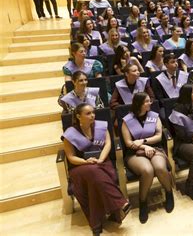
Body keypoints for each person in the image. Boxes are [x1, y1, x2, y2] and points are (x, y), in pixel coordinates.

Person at [62, 104, 129, 235]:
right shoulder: (70, 133)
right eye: (88, 113)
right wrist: (86, 161)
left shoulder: (101, 126)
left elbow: (108, 144)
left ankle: (95, 223)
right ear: (78, 116)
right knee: (93, 171)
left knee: (94, 180)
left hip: (102, 162)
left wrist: (101, 159)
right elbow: (70, 157)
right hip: (80, 167)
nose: (92, 115)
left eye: (93, 112)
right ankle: (119, 203)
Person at [121, 93, 174, 223]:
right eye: (147, 102)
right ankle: (143, 201)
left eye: (150, 101)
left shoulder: (154, 116)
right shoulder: (127, 120)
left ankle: (169, 193)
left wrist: (144, 141)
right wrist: (144, 147)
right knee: (147, 171)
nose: (150, 103)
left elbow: (158, 136)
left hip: (155, 148)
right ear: (139, 104)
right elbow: (128, 143)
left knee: (160, 168)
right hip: (134, 152)